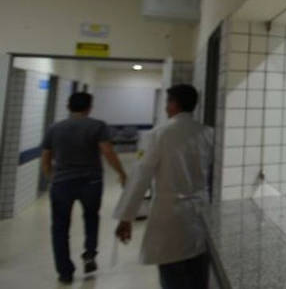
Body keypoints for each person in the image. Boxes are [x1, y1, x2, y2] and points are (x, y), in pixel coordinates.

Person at [113, 84, 213, 289]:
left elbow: (140, 178)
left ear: (174, 104)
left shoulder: (159, 134)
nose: (166, 107)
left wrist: (126, 217)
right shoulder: (207, 133)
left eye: (168, 102)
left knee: (173, 274)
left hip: (170, 215)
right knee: (198, 274)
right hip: (200, 211)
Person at [41, 92, 128, 284]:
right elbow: (108, 151)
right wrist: (122, 172)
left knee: (60, 228)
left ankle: (65, 273)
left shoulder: (54, 128)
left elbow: (46, 158)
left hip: (62, 183)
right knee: (91, 217)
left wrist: (52, 179)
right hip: (91, 182)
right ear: (89, 107)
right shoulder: (97, 126)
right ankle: (89, 253)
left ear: (68, 106)